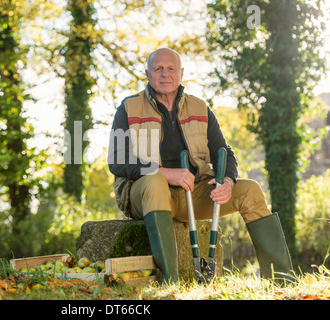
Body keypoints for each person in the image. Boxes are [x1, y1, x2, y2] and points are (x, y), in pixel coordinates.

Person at [107, 47, 293, 284]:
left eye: (171, 68)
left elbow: (224, 152)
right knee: (155, 181)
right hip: (145, 196)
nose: (165, 74)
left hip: (192, 193)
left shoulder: (200, 108)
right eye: (158, 69)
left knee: (250, 190)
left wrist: (227, 180)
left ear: (181, 73)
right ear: (147, 74)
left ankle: (282, 280)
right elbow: (117, 160)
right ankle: (170, 283)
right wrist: (164, 173)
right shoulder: (128, 108)